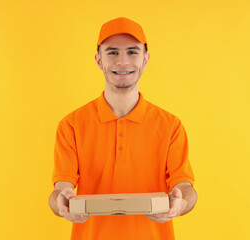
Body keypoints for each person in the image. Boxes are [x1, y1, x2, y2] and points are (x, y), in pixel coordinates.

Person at [48, 17, 197, 240]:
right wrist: (60, 202)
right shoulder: (71, 125)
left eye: (132, 52)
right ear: (99, 60)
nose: (122, 61)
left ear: (145, 59)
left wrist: (181, 202)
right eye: (112, 52)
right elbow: (61, 188)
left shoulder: (170, 126)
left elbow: (185, 187)